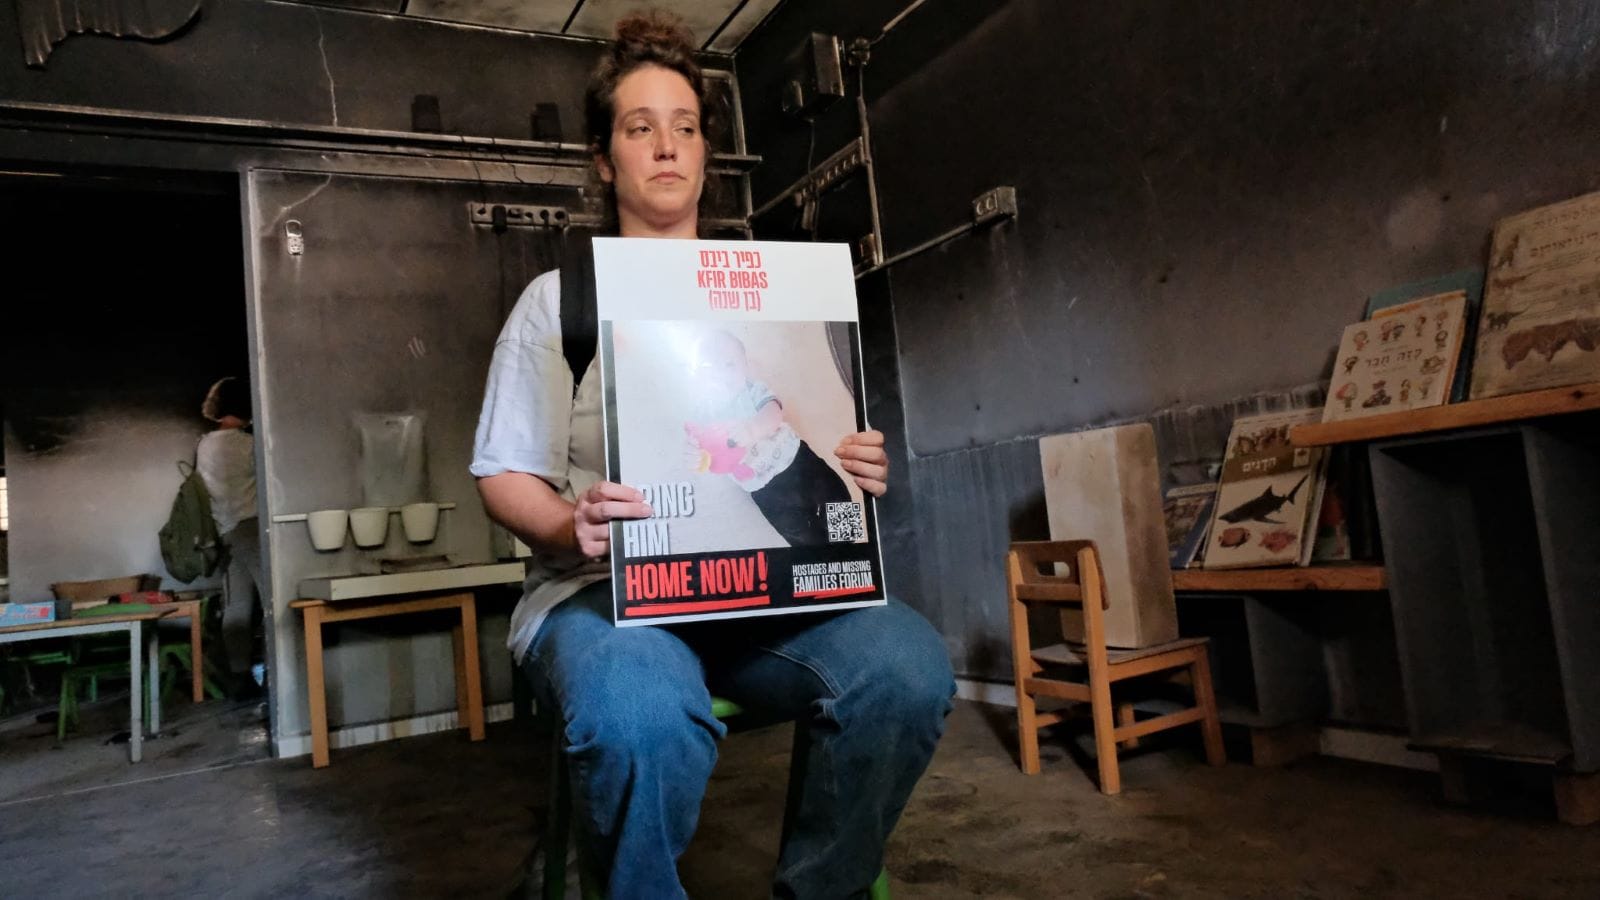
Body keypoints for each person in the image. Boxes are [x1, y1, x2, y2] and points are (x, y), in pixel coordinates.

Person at [471, 12, 954, 898]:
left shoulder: (768, 289)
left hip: (764, 590)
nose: (667, 146)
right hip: (604, 599)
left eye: (685, 127)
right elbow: (501, 474)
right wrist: (566, 523)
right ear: (603, 157)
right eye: (639, 127)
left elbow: (818, 434)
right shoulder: (559, 300)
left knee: (907, 669)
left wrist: (856, 469)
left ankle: (825, 887)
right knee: (643, 713)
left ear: (704, 153)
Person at [683, 329, 853, 546]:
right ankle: (820, 554)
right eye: (708, 369)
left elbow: (773, 412)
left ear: (745, 367)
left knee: (835, 494)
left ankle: (849, 545)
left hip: (796, 461)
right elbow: (697, 444)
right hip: (765, 489)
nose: (720, 374)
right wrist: (695, 456)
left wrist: (753, 429)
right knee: (796, 531)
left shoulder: (752, 390)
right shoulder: (702, 413)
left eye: (729, 365)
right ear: (696, 376)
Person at [196, 376, 263, 684]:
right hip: (251, 527)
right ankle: (285, 670)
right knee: (273, 600)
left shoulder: (204, 445)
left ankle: (240, 677)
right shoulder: (251, 444)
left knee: (237, 604)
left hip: (224, 530)